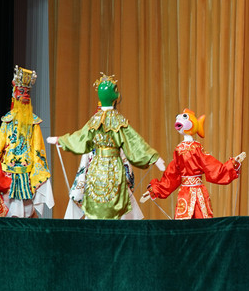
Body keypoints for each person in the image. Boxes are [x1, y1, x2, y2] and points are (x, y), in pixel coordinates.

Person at [47, 74, 165, 220]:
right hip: (110, 166)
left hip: (100, 167)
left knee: (105, 203)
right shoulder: (116, 121)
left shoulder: (96, 121)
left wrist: (62, 140)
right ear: (114, 96)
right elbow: (134, 141)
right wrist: (153, 158)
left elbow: (81, 138)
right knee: (106, 203)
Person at [140, 108, 246, 219]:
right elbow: (172, 174)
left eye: (184, 117)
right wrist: (156, 190)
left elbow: (211, 166)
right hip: (185, 193)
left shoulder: (197, 148)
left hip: (199, 192)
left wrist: (232, 164)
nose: (178, 119)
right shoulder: (179, 149)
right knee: (184, 221)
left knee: (203, 221)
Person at [0, 65, 54, 218]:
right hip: (8, 175)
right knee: (7, 211)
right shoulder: (7, 121)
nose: (25, 95)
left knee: (26, 212)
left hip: (26, 176)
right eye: (21, 91)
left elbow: (38, 150)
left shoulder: (33, 123)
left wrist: (37, 174)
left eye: (28, 92)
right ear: (14, 93)